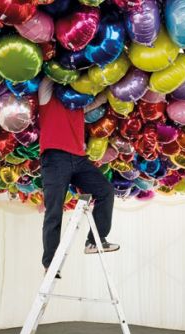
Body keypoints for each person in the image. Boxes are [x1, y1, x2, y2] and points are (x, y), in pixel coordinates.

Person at [38, 76, 119, 277]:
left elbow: (97, 100)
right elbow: (49, 77)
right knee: (54, 210)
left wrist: (110, 84)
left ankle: (95, 240)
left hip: (79, 159)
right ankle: (50, 263)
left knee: (105, 191)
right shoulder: (47, 98)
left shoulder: (78, 105)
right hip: (55, 157)